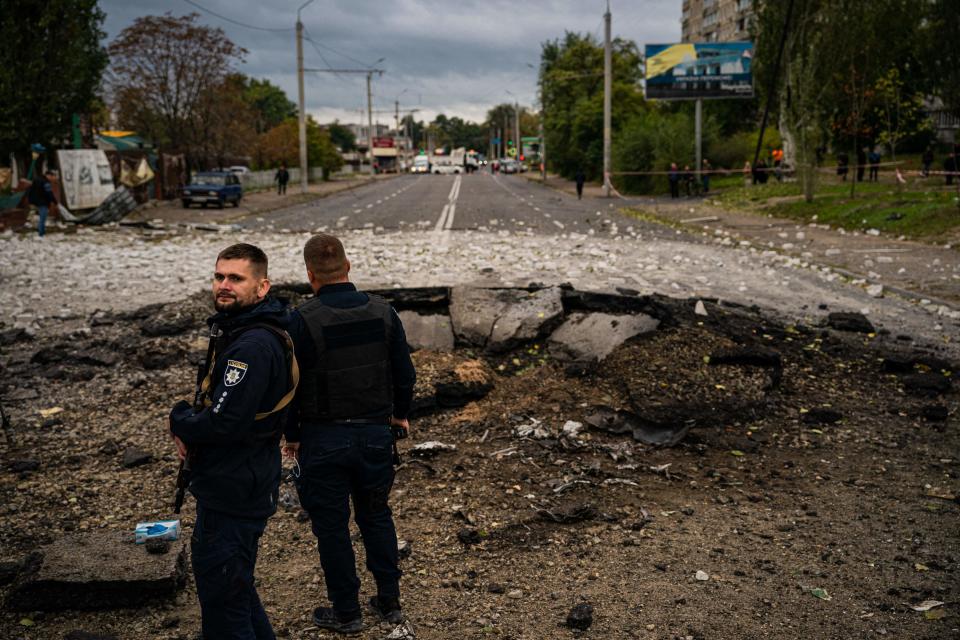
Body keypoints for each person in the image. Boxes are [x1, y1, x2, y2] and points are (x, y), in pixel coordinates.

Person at [284, 233, 416, 634]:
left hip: (322, 440)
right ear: (349, 267)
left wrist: (292, 436)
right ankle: (389, 602)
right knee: (376, 516)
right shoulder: (383, 312)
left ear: (310, 275)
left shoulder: (302, 320)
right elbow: (405, 376)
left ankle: (347, 612)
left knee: (332, 527)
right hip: (376, 435)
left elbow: (290, 388)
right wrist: (400, 416)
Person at [169, 243, 297, 640]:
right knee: (234, 588)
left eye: (236, 278)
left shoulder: (252, 346)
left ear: (262, 288)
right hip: (242, 478)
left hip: (235, 486)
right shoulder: (243, 331)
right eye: (219, 276)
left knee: (225, 602)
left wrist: (180, 419)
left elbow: (226, 423)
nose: (224, 285)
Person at [27, 169, 58, 237]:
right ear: (48, 175)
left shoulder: (37, 179)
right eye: (52, 176)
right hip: (42, 202)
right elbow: (49, 193)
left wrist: (30, 200)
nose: (52, 178)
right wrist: (55, 202)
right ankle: (41, 233)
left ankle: (41, 231)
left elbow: (30, 190)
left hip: (35, 201)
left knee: (39, 217)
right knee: (42, 218)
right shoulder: (46, 182)